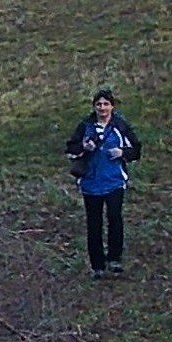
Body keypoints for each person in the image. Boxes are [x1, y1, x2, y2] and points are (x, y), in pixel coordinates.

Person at [65, 88, 143, 279]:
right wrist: (84, 147)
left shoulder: (120, 126)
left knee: (115, 219)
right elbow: (70, 149)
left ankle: (114, 259)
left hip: (114, 182)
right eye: (99, 104)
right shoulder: (85, 126)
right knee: (94, 224)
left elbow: (137, 150)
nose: (102, 108)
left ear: (112, 106)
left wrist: (122, 152)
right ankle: (97, 266)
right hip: (91, 183)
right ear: (94, 107)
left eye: (106, 104)